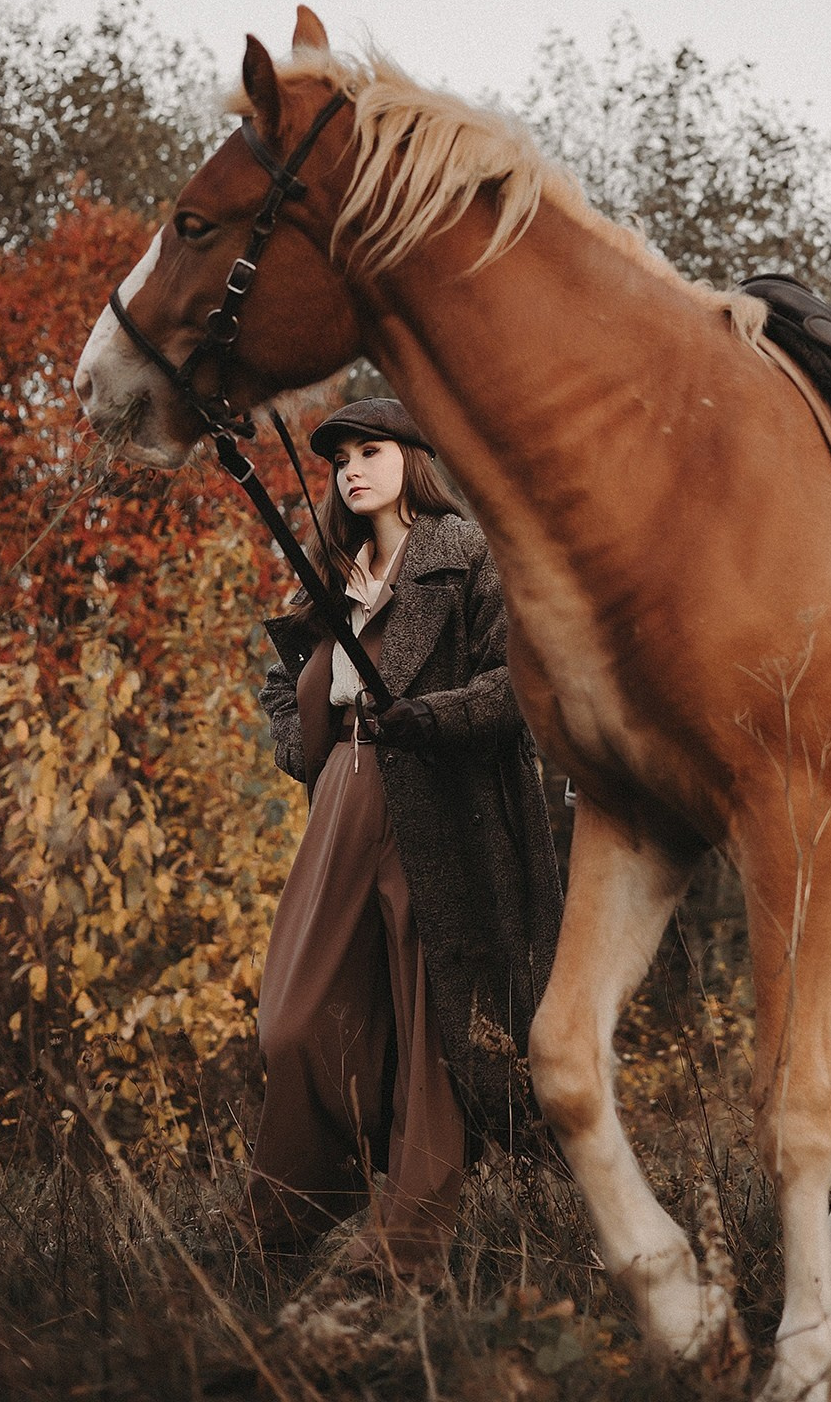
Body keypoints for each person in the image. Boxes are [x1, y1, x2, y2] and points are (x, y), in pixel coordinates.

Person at [247, 397, 562, 1277]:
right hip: (342, 793)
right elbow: (283, 688)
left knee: (437, 1018)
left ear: (413, 458)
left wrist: (432, 717)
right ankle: (295, 1213)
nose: (351, 467)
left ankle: (410, 1241)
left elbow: (523, 685)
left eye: (370, 449)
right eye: (340, 456)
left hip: (441, 799)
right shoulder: (330, 572)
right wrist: (296, 739)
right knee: (293, 1016)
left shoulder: (468, 557)